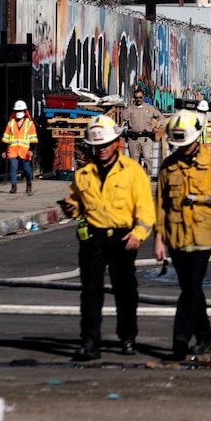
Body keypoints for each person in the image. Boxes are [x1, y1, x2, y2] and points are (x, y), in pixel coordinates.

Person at [59, 115, 155, 360]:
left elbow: (145, 208)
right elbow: (79, 205)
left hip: (123, 238)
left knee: (125, 291)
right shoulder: (83, 175)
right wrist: (71, 208)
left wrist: (139, 233)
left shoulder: (133, 172)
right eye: (97, 146)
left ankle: (128, 338)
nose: (101, 150)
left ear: (116, 143)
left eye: (105, 144)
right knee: (91, 292)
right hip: (92, 238)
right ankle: (90, 342)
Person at [154, 110, 211, 360]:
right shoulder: (169, 166)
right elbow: (161, 204)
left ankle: (180, 339)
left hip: (204, 234)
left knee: (190, 288)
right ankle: (205, 338)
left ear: (196, 138)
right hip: (177, 235)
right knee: (192, 289)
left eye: (186, 143)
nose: (183, 148)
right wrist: (159, 237)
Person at [1, 100, 39, 196]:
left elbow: (33, 138)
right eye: (17, 111)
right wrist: (3, 150)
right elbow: (5, 137)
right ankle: (13, 187)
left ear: (24, 111)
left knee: (26, 169)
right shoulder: (11, 123)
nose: (18, 113)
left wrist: (31, 150)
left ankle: (29, 184)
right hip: (12, 150)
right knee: (13, 168)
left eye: (20, 111)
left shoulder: (29, 124)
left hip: (24, 151)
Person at [124, 88, 165, 177]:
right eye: (136, 98)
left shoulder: (149, 108)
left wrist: (157, 126)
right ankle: (137, 179)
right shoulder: (130, 109)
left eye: (140, 97)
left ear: (143, 97)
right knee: (134, 161)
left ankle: (147, 177)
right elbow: (124, 117)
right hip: (133, 138)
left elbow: (161, 117)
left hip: (146, 138)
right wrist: (129, 107)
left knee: (147, 157)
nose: (138, 99)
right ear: (134, 98)